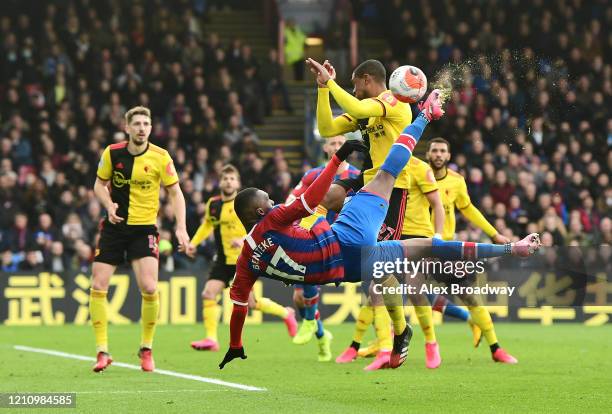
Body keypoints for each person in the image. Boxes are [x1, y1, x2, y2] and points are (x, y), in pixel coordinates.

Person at [218, 90, 540, 369]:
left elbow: (239, 307)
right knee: (389, 176)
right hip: (347, 237)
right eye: (269, 200)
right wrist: (338, 159)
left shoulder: (247, 260)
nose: (274, 201)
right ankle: (425, 115)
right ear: (260, 211)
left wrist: (235, 344)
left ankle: (400, 334)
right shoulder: (272, 219)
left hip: (347, 269)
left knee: (404, 265)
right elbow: (311, 199)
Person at [311, 57, 444, 369]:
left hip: (390, 189)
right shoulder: (368, 113)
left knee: (378, 272)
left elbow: (358, 109)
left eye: (355, 84)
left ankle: (400, 335)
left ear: (367, 79)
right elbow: (326, 127)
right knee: (326, 196)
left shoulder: (392, 100)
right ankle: (393, 337)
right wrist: (321, 90)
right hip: (366, 181)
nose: (354, 90)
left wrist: (331, 83)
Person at [90, 106, 190, 373]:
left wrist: (181, 227)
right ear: (127, 127)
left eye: (146, 123)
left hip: (144, 229)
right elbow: (99, 184)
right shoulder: (112, 153)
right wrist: (108, 204)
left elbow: (176, 194)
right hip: (114, 227)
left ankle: (146, 348)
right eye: (137, 123)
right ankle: (102, 351)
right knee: (98, 285)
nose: (142, 127)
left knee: (149, 287)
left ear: (151, 127)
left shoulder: (161, 156)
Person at [186, 164, 297, 352]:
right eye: (225, 178)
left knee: (252, 304)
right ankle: (211, 339)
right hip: (222, 260)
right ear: (219, 182)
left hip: (243, 261)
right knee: (208, 294)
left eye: (232, 178)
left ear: (238, 182)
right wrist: (193, 243)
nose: (228, 182)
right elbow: (207, 225)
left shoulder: (245, 205)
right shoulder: (213, 204)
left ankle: (286, 313)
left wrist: (244, 238)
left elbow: (263, 226)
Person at [425, 137, 518, 363]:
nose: (438, 154)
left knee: (470, 297)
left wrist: (494, 234)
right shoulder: (416, 175)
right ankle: (382, 346)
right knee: (408, 294)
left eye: (442, 151)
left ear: (448, 156)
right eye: (434, 151)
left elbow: (469, 210)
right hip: (419, 247)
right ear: (428, 154)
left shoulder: (456, 181)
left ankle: (496, 348)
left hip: (447, 249)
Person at [287, 134, 360, 362]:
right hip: (312, 234)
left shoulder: (357, 177)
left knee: (307, 281)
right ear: (326, 147)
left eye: (341, 143)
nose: (338, 146)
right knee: (299, 298)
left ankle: (312, 323)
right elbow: (292, 201)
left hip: (341, 238)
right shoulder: (313, 175)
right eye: (333, 143)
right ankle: (320, 335)